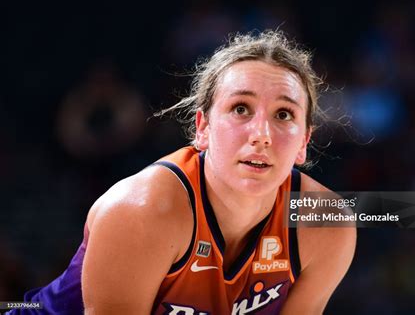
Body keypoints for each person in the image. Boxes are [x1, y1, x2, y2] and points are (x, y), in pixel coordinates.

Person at [10, 30, 356, 315]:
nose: (262, 134)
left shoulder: (327, 225)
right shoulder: (142, 210)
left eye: (284, 114)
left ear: (304, 142)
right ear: (202, 128)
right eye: (240, 108)